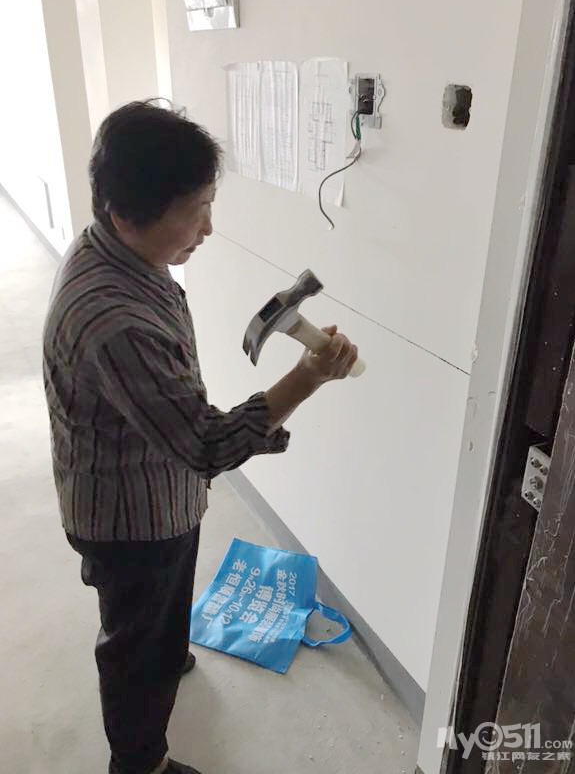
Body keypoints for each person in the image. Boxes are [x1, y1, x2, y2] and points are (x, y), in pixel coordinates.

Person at [42, 100, 358, 774]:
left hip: (153, 488)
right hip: (130, 518)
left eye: (209, 204)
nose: (209, 228)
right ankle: (140, 761)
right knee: (135, 647)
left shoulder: (115, 250)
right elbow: (206, 447)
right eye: (196, 211)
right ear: (125, 213)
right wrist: (308, 376)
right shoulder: (113, 319)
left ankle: (163, 641)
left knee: (154, 614)